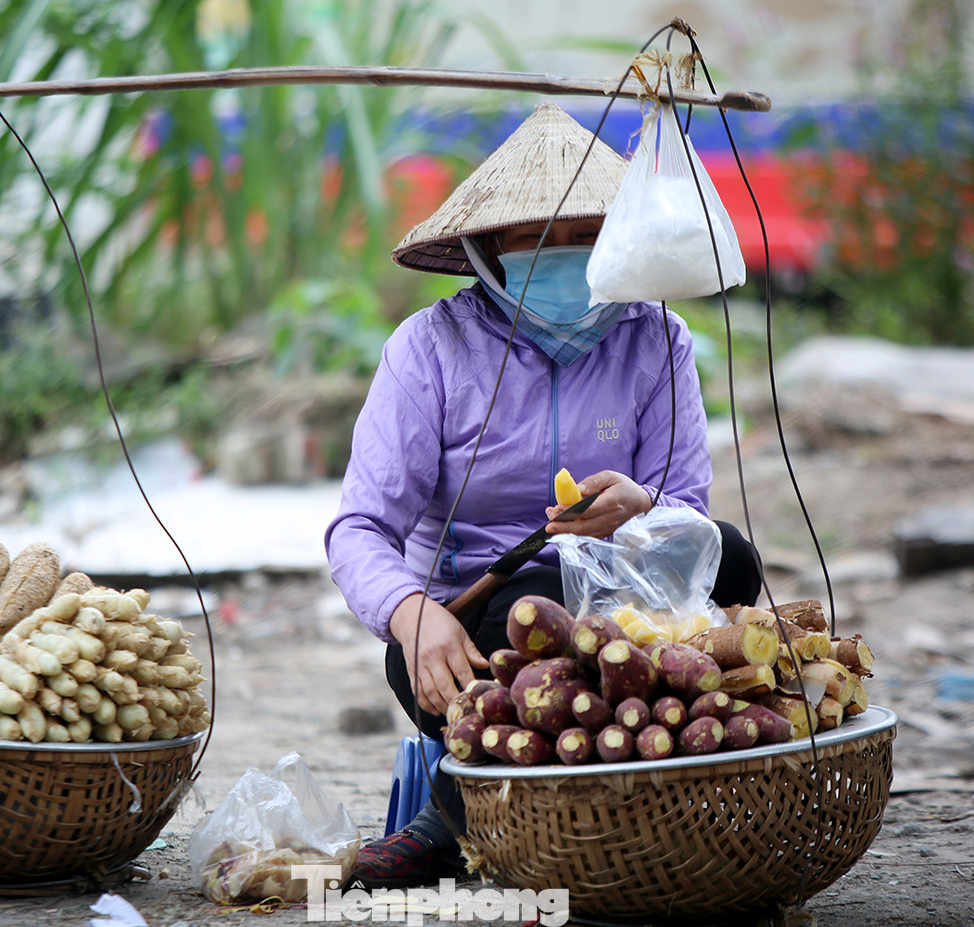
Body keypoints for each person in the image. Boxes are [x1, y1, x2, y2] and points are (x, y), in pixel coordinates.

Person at [324, 102, 762, 888]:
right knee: (512, 609)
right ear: (488, 248)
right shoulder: (430, 350)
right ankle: (463, 807)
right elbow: (359, 528)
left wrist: (640, 504)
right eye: (536, 238)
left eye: (583, 236)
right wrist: (411, 612)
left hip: (627, 608)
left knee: (733, 556)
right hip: (483, 621)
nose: (562, 256)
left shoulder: (656, 337)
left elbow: (687, 521)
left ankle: (454, 813)